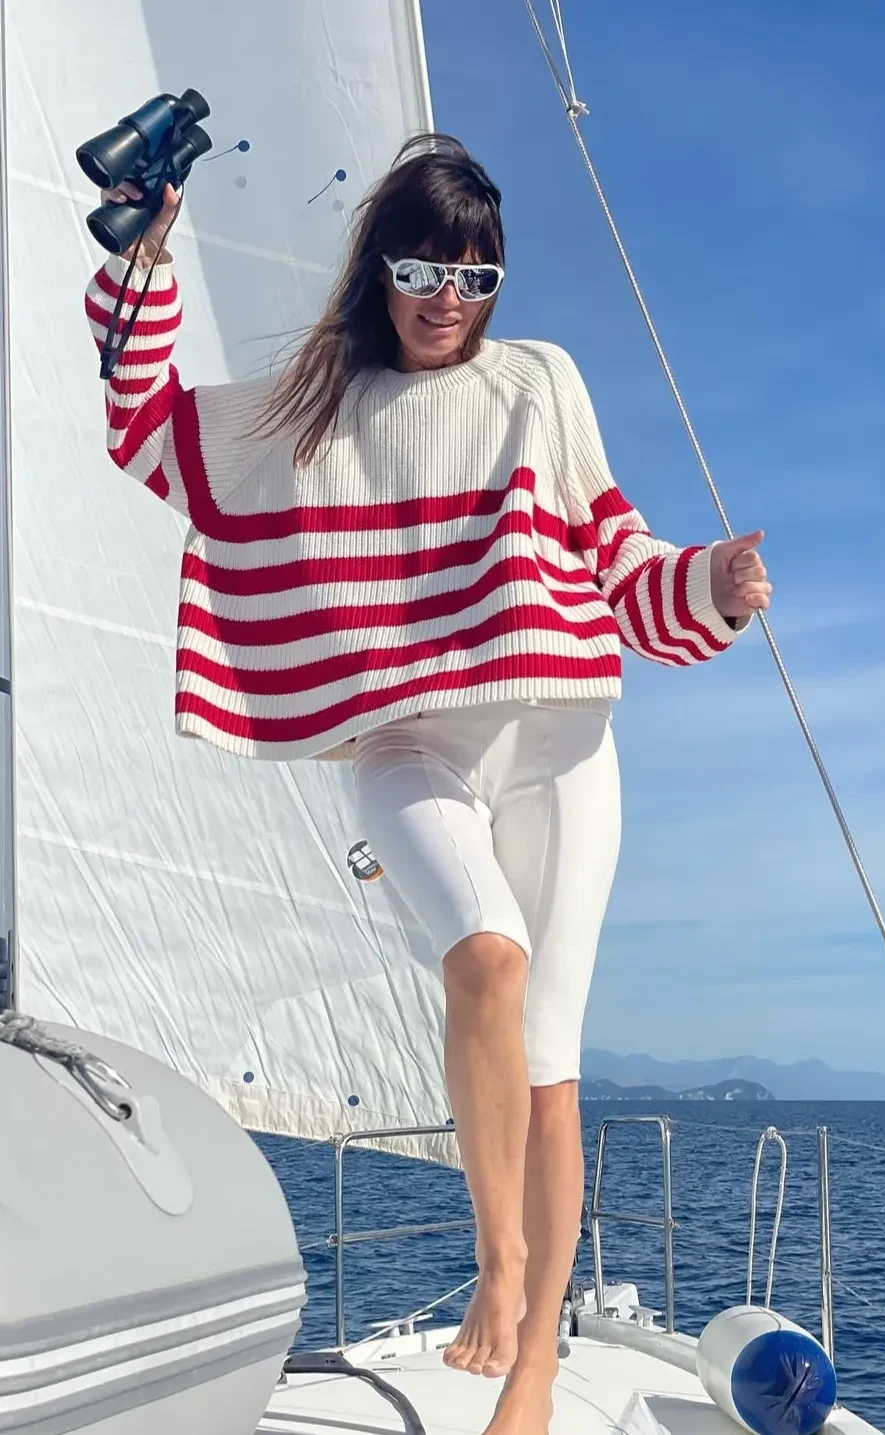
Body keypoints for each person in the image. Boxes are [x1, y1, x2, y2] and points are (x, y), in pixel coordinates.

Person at [87, 134, 770, 1435]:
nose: (448, 298)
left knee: (551, 1068)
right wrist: (144, 262)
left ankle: (533, 1364)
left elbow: (616, 554)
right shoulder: (313, 410)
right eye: (421, 269)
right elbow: (149, 433)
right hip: (406, 740)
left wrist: (711, 591)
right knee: (485, 960)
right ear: (380, 270)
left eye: (475, 276)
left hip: (557, 735)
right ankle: (501, 1260)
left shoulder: (540, 383)